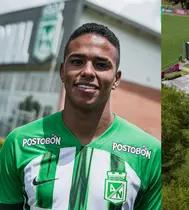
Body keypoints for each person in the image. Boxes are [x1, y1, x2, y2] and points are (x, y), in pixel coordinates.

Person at [0, 23, 161, 210]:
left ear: (116, 79)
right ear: (62, 72)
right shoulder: (20, 142)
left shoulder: (149, 152)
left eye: (101, 65)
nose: (87, 72)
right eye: (77, 61)